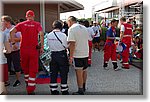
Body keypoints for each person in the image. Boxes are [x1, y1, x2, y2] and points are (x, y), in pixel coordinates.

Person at [10, 10, 44, 95]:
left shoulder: (21, 24)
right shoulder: (37, 24)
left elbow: (11, 32)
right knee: (33, 69)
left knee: (25, 69)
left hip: (23, 49)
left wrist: (13, 43)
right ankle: (31, 89)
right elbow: (41, 34)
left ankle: (27, 84)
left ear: (26, 16)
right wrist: (42, 46)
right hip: (33, 50)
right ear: (33, 16)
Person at [67, 16, 89, 95]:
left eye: (67, 22)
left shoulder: (71, 29)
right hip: (85, 52)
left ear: (70, 21)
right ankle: (83, 86)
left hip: (78, 54)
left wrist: (71, 56)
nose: (67, 24)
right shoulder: (84, 28)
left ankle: (80, 90)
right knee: (84, 70)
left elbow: (72, 44)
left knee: (78, 71)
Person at [47, 20, 69, 95]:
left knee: (53, 73)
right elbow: (66, 46)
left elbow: (48, 46)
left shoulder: (49, 35)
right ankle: (64, 90)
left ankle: (53, 89)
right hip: (62, 55)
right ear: (61, 27)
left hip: (52, 55)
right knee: (63, 72)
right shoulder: (63, 35)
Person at [2, 16, 22, 87]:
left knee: (16, 66)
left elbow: (20, 39)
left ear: (8, 22)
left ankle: (18, 80)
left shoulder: (15, 28)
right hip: (6, 51)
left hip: (15, 50)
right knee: (7, 66)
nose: (2, 22)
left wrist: (12, 40)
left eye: (3, 21)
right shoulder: (3, 29)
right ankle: (6, 81)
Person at [0, 18, 11, 94]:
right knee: (2, 86)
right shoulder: (3, 34)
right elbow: (9, 50)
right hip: (1, 61)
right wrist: (3, 50)